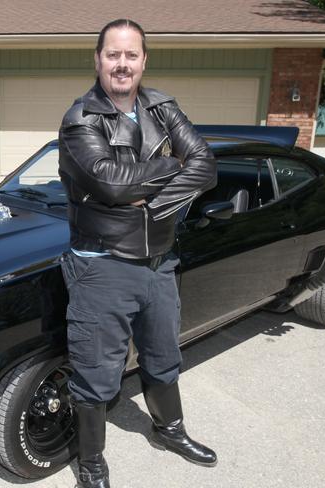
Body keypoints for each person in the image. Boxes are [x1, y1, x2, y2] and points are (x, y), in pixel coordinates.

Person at [58, 19, 218, 488]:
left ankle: (169, 430)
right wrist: (174, 167)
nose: (122, 64)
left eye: (131, 55)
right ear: (98, 60)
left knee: (164, 355)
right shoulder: (80, 119)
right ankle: (91, 463)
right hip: (102, 265)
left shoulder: (163, 107)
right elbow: (108, 181)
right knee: (95, 372)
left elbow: (205, 166)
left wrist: (149, 196)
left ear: (144, 60)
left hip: (160, 263)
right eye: (113, 55)